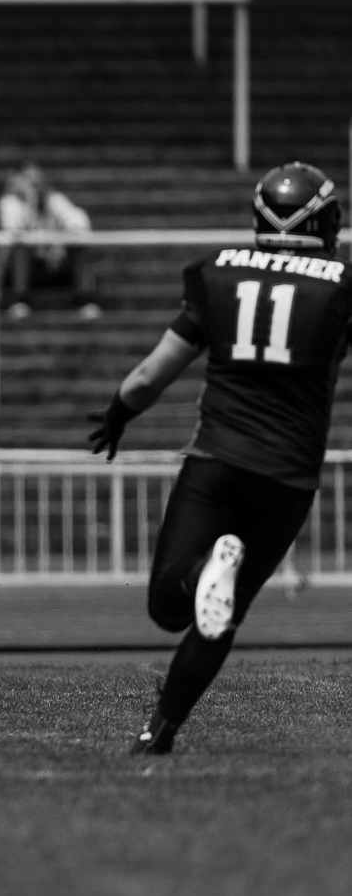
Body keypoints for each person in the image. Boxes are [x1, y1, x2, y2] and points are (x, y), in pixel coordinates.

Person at [87, 161, 347, 754]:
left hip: (217, 458)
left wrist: (117, 415)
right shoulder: (341, 282)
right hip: (288, 475)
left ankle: (206, 572)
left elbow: (154, 373)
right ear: (324, 220)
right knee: (223, 615)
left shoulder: (218, 272)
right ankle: (159, 733)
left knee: (168, 605)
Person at [0, 161, 101, 320]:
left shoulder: (54, 199)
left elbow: (79, 222)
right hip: (22, 269)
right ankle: (19, 300)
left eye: (37, 178)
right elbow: (13, 230)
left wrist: (60, 240)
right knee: (20, 247)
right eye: (28, 178)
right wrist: (30, 203)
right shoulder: (9, 202)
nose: (35, 183)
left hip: (54, 265)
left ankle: (85, 299)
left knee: (78, 244)